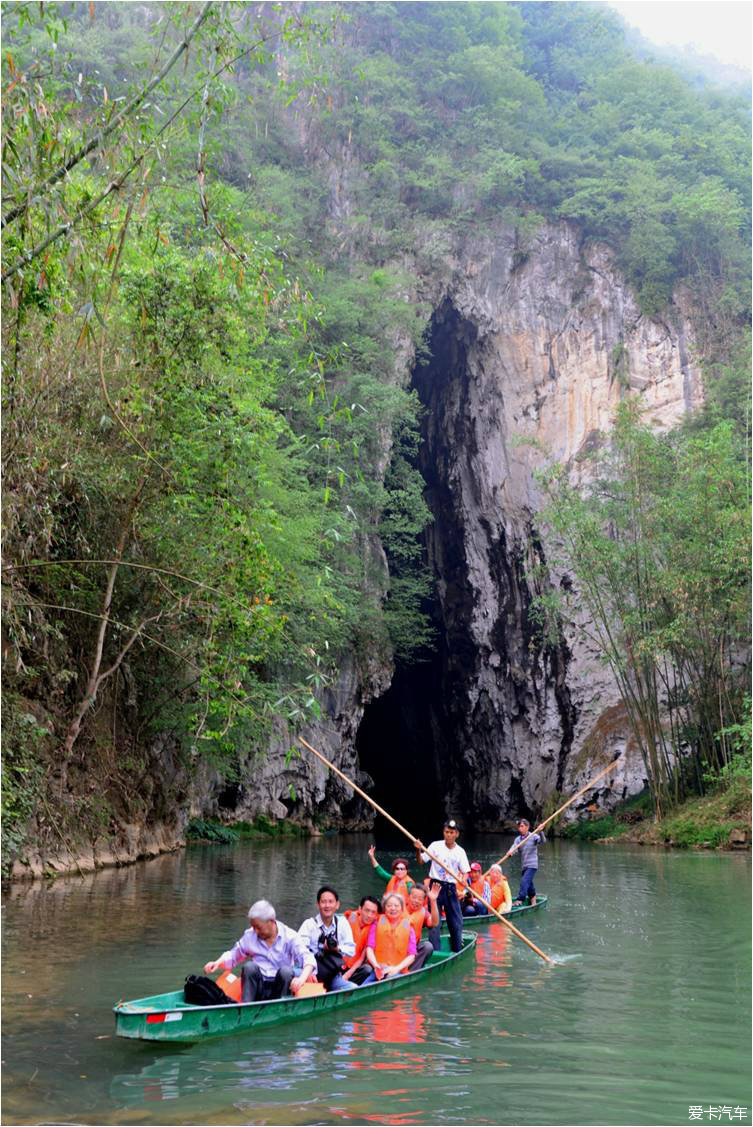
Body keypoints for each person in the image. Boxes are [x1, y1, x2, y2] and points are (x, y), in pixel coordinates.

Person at [203, 899, 315, 1003]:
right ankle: (246, 1008)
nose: (255, 931)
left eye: (258, 927)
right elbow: (233, 956)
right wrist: (217, 963)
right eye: (253, 927)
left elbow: (308, 959)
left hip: (281, 986)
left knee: (286, 971)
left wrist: (301, 979)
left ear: (271, 921)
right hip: (258, 986)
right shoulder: (250, 935)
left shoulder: (290, 936)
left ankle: (281, 1008)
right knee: (249, 967)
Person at [413, 819, 470, 953]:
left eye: (451, 832)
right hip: (435, 887)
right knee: (434, 923)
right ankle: (435, 953)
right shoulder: (435, 846)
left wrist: (463, 879)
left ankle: (457, 950)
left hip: (450, 888)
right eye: (446, 832)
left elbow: (466, 872)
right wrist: (418, 849)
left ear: (457, 834)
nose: (448, 835)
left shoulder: (460, 852)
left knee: (456, 922)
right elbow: (421, 861)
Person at [298, 885, 357, 992]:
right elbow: (299, 951)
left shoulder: (342, 923)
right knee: (296, 974)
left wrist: (337, 949)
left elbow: (351, 950)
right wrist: (308, 972)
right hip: (311, 974)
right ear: (318, 904)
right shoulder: (309, 924)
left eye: (331, 902)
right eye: (323, 902)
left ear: (337, 905)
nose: (327, 905)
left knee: (353, 989)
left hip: (332, 974)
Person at [361, 893, 417, 983]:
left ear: (402, 909)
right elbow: (370, 948)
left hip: (398, 972)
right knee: (364, 986)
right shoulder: (376, 923)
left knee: (391, 978)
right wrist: (376, 966)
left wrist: (396, 969)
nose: (393, 908)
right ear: (384, 908)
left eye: (396, 906)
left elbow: (412, 955)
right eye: (389, 905)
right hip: (378, 970)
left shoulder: (409, 928)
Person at [343, 895, 381, 985]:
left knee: (367, 970)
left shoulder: (372, 929)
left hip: (354, 967)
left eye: (373, 912)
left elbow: (361, 958)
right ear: (360, 909)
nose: (369, 915)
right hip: (339, 963)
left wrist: (348, 974)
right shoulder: (348, 919)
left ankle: (346, 984)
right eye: (367, 911)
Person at [405, 882, 441, 965]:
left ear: (423, 901)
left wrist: (433, 900)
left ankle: (411, 971)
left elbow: (434, 923)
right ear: (408, 897)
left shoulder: (423, 912)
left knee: (428, 946)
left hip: (412, 950)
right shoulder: (398, 908)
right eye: (414, 897)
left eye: (420, 899)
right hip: (396, 948)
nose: (416, 901)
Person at [511, 818, 545, 905]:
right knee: (529, 884)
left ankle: (520, 899)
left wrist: (540, 832)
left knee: (524, 881)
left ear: (527, 827)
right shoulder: (518, 839)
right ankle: (533, 898)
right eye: (519, 827)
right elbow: (514, 848)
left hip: (532, 865)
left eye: (522, 826)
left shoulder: (533, 836)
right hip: (524, 865)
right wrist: (510, 853)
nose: (520, 828)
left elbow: (543, 841)